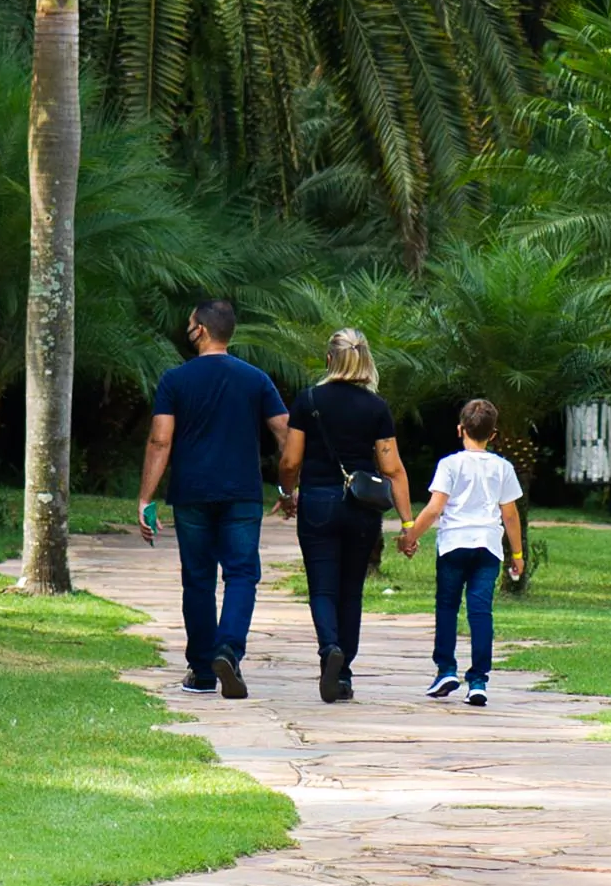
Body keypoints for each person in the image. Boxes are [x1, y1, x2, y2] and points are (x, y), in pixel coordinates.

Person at [137, 300, 289, 699]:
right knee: (241, 574)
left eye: (190, 323)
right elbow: (285, 432)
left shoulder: (175, 380)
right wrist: (290, 487)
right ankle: (229, 650)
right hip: (242, 493)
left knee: (198, 579)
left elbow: (160, 440)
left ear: (201, 329)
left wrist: (146, 498)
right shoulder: (256, 379)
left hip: (192, 493)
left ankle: (203, 671)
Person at [277, 328, 414, 703]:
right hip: (361, 507)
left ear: (329, 360)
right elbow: (393, 469)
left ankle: (329, 649)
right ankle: (344, 675)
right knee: (351, 590)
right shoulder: (376, 407)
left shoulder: (308, 400)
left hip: (318, 502)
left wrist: (286, 493)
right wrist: (407, 524)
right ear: (366, 361)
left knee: (322, 588)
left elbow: (290, 461)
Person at [397, 399, 524, 707]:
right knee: (480, 612)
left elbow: (434, 508)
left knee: (447, 607)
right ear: (493, 435)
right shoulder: (503, 467)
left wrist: (410, 537)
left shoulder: (450, 465)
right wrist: (518, 555)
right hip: (488, 548)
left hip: (453, 545)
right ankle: (478, 680)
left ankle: (446, 670)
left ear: (460, 429)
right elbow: (510, 514)